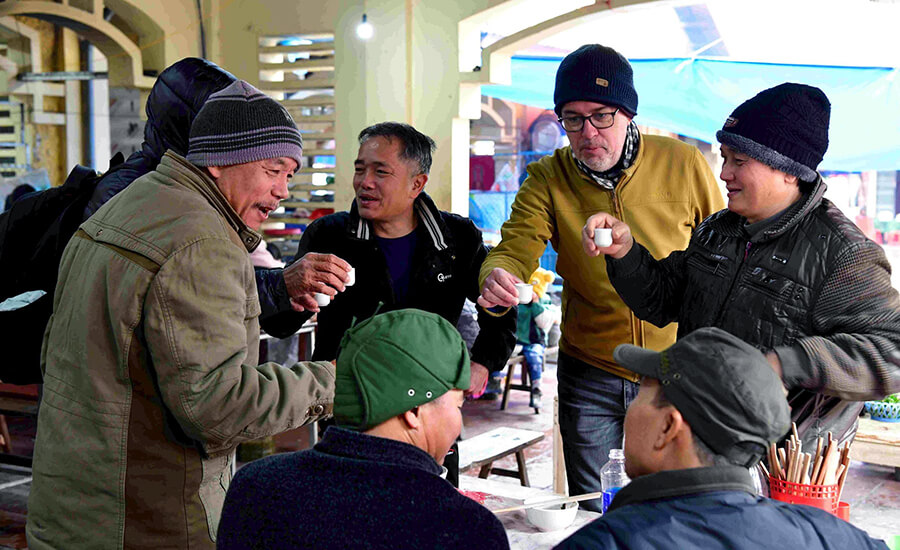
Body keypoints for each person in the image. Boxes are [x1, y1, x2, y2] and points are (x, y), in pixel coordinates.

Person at [26, 81, 336, 550]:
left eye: (289, 175)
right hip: (144, 518)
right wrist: (335, 382)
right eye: (274, 170)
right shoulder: (203, 243)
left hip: (72, 502)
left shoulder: (128, 207)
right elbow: (218, 407)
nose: (281, 192)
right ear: (220, 158)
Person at [586, 83, 900, 450]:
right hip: (697, 435)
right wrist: (625, 253)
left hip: (780, 459)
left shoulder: (841, 252)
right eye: (724, 157)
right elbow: (661, 301)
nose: (724, 173)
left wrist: (784, 363)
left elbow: (892, 350)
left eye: (739, 161)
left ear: (789, 171)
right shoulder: (718, 230)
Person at [477, 44, 724, 510]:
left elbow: (722, 252)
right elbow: (514, 246)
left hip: (676, 369)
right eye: (573, 118)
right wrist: (498, 277)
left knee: (677, 505)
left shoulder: (684, 164)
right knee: (598, 509)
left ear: (628, 114)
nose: (588, 132)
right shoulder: (547, 177)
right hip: (589, 370)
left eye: (602, 115)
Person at [556, 327, 889, 550]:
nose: (631, 409)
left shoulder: (603, 542)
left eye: (642, 391)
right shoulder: (829, 536)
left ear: (669, 427)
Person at [257, 122, 516, 406]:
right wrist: (287, 289)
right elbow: (280, 326)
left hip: (431, 401)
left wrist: (483, 363)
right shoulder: (329, 236)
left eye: (381, 171)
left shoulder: (455, 239)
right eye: (359, 169)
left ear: (416, 184)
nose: (365, 182)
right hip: (350, 403)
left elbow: (499, 307)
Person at [217, 309, 511, 550]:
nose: (458, 422)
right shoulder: (467, 530)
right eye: (457, 406)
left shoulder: (256, 487)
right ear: (413, 410)